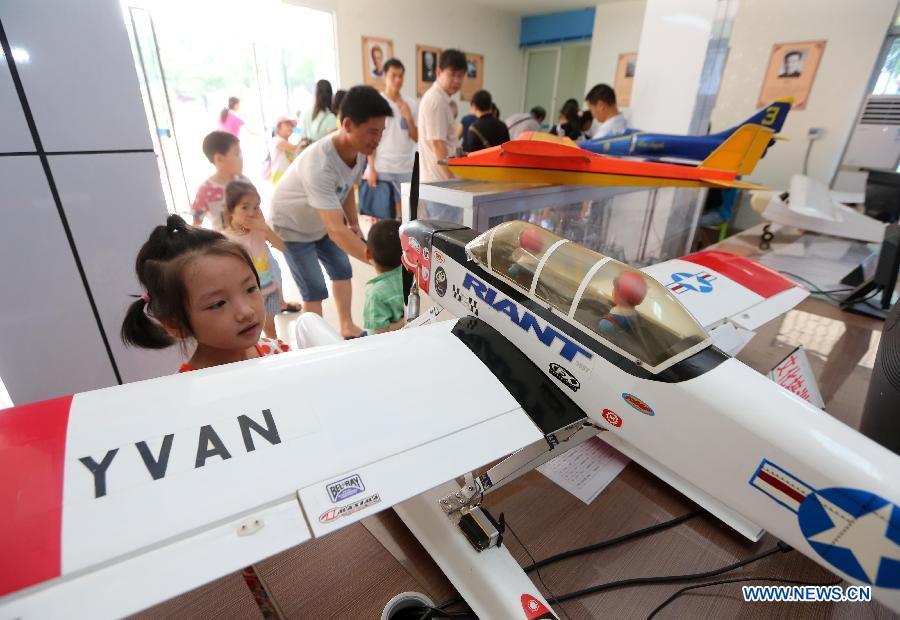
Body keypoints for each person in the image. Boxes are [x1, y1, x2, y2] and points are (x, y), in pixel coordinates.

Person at [271, 85, 392, 338]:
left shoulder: (358, 154)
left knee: (342, 268)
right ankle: (313, 342)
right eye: (372, 131)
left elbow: (347, 187)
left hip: (322, 219)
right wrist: (381, 263)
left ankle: (346, 326)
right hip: (292, 226)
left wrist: (354, 223)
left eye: (381, 132)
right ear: (347, 124)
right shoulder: (320, 163)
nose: (377, 139)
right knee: (314, 287)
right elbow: (335, 231)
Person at [121, 214, 290, 372]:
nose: (246, 311)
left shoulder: (278, 353)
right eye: (218, 304)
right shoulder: (188, 394)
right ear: (176, 324)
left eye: (250, 289)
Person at [223, 180, 286, 339]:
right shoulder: (225, 239)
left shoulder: (259, 230)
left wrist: (265, 227)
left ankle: (273, 354)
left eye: (256, 207)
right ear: (231, 210)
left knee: (270, 327)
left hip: (269, 288)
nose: (251, 213)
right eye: (245, 207)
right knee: (251, 331)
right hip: (245, 295)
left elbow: (283, 247)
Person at [364, 58, 418, 219]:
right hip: (383, 167)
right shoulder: (376, 103)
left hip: (406, 168)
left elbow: (416, 138)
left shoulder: (411, 103)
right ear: (385, 76)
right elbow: (370, 138)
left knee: (406, 218)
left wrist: (408, 117)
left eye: (401, 76)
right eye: (393, 75)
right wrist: (371, 167)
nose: (398, 80)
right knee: (384, 217)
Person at [418, 49, 467, 220]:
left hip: (440, 183)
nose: (456, 80)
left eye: (460, 75)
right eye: (452, 74)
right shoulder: (436, 100)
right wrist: (453, 183)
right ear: (439, 72)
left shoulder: (443, 99)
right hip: (441, 184)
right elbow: (438, 144)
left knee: (444, 238)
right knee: (445, 240)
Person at [191, 131, 249, 231]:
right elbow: (195, 226)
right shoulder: (205, 190)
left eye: (241, 153)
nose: (241, 158)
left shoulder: (244, 181)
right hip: (227, 245)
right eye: (236, 153)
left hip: (254, 240)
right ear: (219, 159)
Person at [363, 219, 405, 334]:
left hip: (383, 347)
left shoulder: (375, 294)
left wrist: (405, 322)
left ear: (367, 253)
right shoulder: (409, 276)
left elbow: (379, 333)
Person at [270, 116, 300, 185]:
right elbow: (295, 148)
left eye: (291, 126)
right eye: (287, 125)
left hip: (288, 177)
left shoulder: (289, 143)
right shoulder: (276, 140)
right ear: (278, 128)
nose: (290, 127)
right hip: (279, 176)